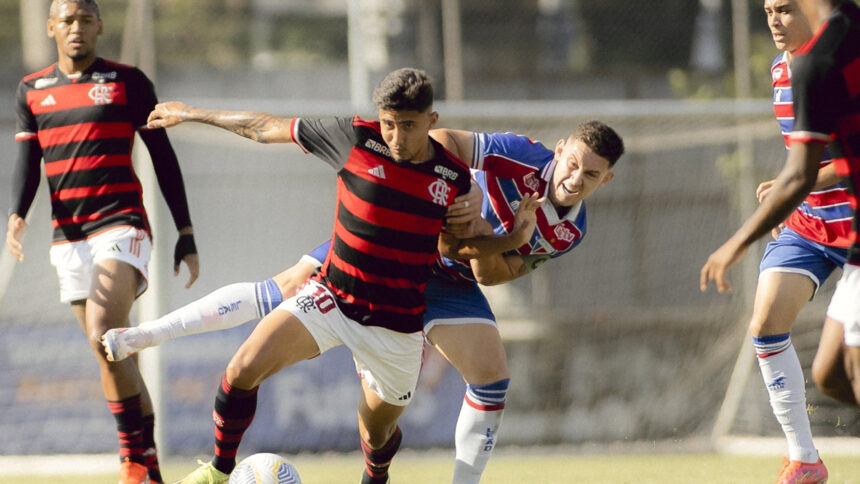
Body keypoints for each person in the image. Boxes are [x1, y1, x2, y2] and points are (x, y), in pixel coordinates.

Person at [103, 120, 624, 483]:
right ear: (559, 150)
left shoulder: (569, 233)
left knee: (491, 378)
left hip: (448, 276)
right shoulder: (521, 155)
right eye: (573, 163)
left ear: (607, 180)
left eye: (591, 175)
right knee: (282, 287)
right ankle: (145, 336)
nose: (574, 179)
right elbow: (442, 140)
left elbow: (495, 272)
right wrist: (456, 192)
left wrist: (502, 235)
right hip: (399, 239)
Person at [147, 68, 477, 484]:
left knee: (377, 433)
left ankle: (376, 476)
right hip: (331, 299)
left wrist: (483, 218)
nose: (395, 137)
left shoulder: (453, 178)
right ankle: (218, 471)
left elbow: (462, 249)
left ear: (432, 120)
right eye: (389, 123)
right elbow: (266, 128)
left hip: (397, 329)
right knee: (241, 369)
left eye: (408, 126)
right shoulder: (355, 137)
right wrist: (193, 113)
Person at [5, 1, 199, 483]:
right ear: (52, 27)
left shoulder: (128, 82)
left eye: (85, 19)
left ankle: (131, 460)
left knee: (104, 331)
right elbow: (30, 163)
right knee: (112, 351)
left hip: (122, 223)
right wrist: (16, 214)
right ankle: (149, 466)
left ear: (99, 26)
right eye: (66, 20)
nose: (76, 28)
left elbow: (163, 156)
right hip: (67, 236)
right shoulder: (32, 90)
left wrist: (186, 232)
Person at [701, 2, 860, 484]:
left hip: (852, 221)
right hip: (812, 224)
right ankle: (805, 459)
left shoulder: (839, 58)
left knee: (837, 371)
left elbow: (820, 165)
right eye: (768, 9)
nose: (774, 20)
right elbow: (804, 156)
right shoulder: (781, 70)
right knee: (766, 320)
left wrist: (795, 186)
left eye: (787, 9)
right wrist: (792, 192)